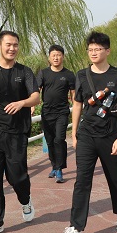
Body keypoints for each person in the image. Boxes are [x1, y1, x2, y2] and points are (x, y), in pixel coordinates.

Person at [58, 31, 117, 233]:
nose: (93, 52)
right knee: (82, 180)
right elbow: (77, 105)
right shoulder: (82, 75)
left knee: (115, 177)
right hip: (86, 135)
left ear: (107, 51)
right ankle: (75, 227)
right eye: (90, 49)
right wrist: (74, 133)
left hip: (111, 135)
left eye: (98, 49)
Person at [0, 31, 41, 233]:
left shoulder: (24, 71)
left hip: (17, 132)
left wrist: (22, 103)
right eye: (8, 44)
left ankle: (25, 199)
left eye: (15, 45)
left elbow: (36, 97)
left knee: (16, 176)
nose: (12, 48)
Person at [37, 44, 75, 183]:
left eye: (58, 55)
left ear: (63, 57)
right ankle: (54, 165)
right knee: (50, 141)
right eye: (53, 55)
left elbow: (74, 94)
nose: (56, 58)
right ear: (49, 57)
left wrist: (77, 109)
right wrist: (31, 106)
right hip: (47, 113)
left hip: (62, 112)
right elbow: (36, 91)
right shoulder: (43, 73)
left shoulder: (69, 74)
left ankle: (59, 169)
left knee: (59, 139)